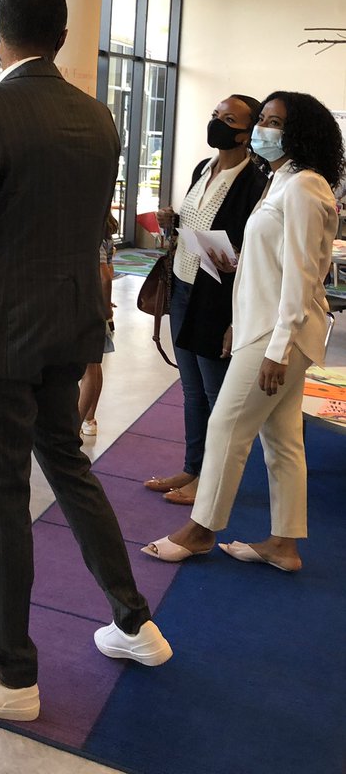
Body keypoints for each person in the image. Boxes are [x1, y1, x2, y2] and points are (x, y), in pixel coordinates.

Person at [0, 0, 171, 724]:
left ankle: (12, 672)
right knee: (68, 465)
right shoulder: (98, 117)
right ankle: (135, 622)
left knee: (0, 495)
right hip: (69, 323)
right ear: (61, 39)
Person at [144, 91, 344, 572]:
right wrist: (240, 319)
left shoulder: (304, 186)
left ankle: (200, 531)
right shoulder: (282, 180)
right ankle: (283, 544)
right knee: (282, 440)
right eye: (264, 120)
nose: (263, 130)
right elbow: (267, 264)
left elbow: (302, 277)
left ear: (299, 133)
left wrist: (276, 348)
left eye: (274, 122)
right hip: (264, 326)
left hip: (279, 332)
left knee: (226, 426)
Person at [143, 95, 266, 505]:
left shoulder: (255, 182)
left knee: (217, 395)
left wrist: (236, 315)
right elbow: (197, 226)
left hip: (218, 297)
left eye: (228, 120)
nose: (217, 124)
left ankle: (213, 482)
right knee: (192, 390)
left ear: (247, 133)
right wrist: (173, 222)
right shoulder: (202, 167)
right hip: (183, 287)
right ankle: (192, 468)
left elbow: (252, 246)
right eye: (215, 116)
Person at [78, 213, 118, 438]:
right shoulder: (106, 232)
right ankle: (89, 418)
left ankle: (76, 424)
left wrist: (106, 310)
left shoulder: (92, 233)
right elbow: (109, 271)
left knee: (89, 368)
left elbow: (105, 276)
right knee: (94, 364)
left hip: (89, 306)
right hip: (96, 305)